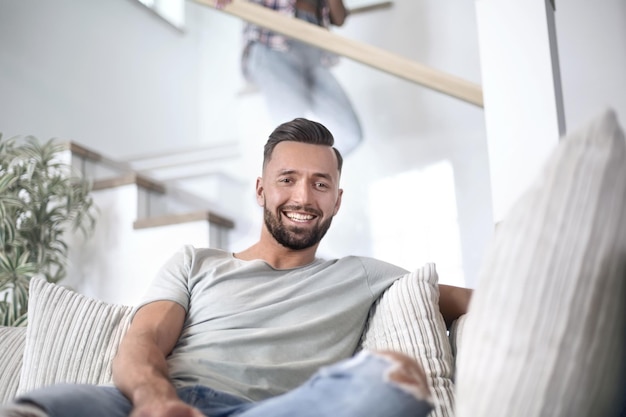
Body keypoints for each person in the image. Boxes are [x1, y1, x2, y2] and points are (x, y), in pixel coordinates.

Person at [0, 118, 471, 417]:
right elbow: (141, 342)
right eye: (288, 180)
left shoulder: (363, 275)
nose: (304, 198)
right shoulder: (194, 263)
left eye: (320, 184)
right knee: (51, 405)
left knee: (392, 380)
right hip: (153, 403)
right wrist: (156, 400)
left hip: (267, 413)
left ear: (337, 200)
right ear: (262, 190)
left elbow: (480, 300)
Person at [216, 0, 364, 156]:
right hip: (272, 36)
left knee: (349, 135)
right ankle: (291, 173)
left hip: (315, 40)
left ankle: (306, 173)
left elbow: (339, 18)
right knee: (292, 137)